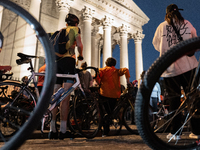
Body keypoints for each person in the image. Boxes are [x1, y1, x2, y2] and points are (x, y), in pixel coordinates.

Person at [152, 4, 199, 140]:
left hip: (170, 68)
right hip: (189, 67)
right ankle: (197, 130)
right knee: (193, 99)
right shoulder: (187, 23)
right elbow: (195, 40)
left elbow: (156, 45)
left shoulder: (161, 26)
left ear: (166, 14)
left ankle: (175, 133)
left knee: (173, 101)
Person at [48, 13, 83, 140]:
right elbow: (79, 44)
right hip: (68, 62)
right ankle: (63, 130)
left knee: (55, 96)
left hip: (56, 64)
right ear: (76, 23)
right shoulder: (75, 30)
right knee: (65, 97)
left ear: (66, 23)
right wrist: (80, 55)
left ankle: (52, 130)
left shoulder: (58, 32)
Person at [95, 57, 131, 136]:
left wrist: (99, 83)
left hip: (103, 94)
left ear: (106, 63)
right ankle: (107, 129)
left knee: (104, 113)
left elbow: (96, 76)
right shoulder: (116, 71)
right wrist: (128, 82)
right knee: (110, 112)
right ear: (114, 64)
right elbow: (126, 70)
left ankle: (105, 130)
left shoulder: (102, 70)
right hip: (114, 95)